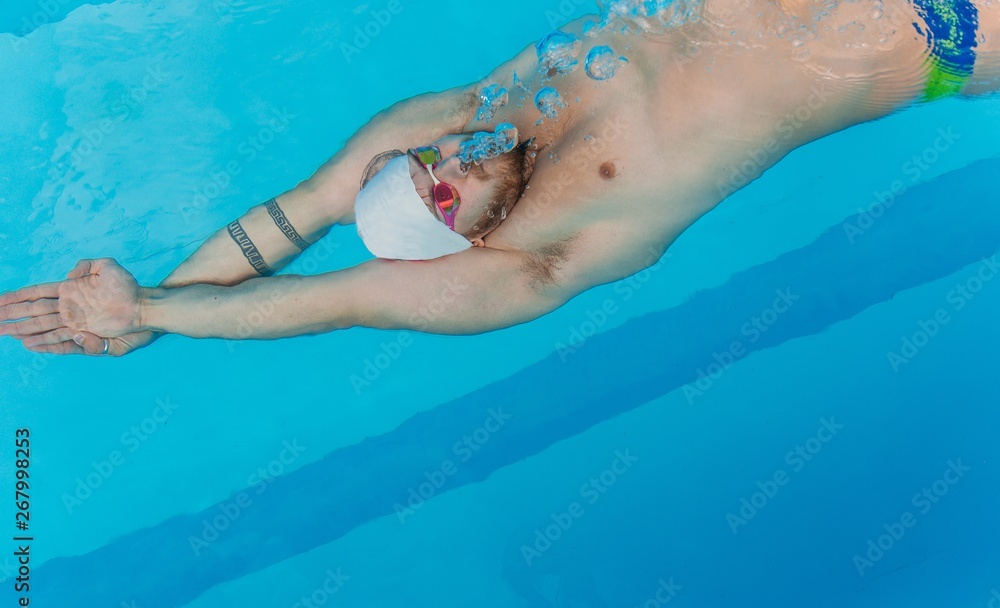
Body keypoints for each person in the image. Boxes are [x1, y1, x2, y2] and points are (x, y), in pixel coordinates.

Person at [1, 0, 997, 356]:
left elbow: (294, 217)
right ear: (465, 243)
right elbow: (329, 298)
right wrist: (156, 317)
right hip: (935, 28)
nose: (456, 165)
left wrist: (147, 301)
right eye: (445, 197)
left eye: (427, 166)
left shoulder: (460, 118)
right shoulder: (541, 257)